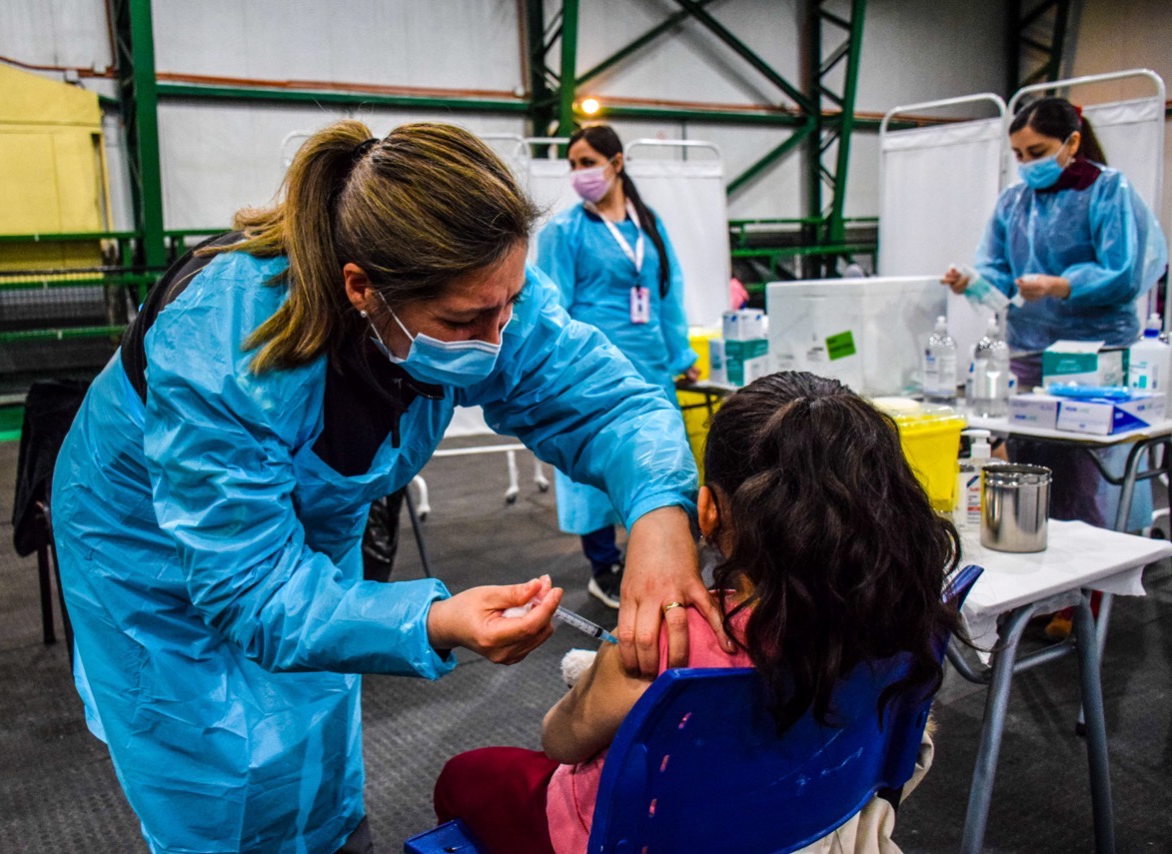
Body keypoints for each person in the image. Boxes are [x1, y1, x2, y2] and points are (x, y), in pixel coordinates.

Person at [51, 121, 730, 853]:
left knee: (314, 742)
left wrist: (660, 517)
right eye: (467, 320)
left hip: (310, 527)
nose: (499, 336)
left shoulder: (482, 288)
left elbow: (609, 404)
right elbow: (250, 589)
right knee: (209, 767)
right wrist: (432, 622)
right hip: (146, 546)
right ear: (361, 289)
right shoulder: (222, 347)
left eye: (507, 305)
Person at [434, 371, 963, 853]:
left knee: (464, 774)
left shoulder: (668, 643)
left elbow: (560, 740)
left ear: (707, 510)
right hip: (809, 811)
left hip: (640, 836)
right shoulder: (903, 617)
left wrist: (601, 670)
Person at [942, 97, 1167, 637]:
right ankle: (1032, 582)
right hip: (1027, 349)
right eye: (1018, 153)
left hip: (1093, 356)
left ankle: (1087, 594)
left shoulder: (1110, 192)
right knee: (1023, 467)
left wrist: (1063, 284)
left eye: (1037, 151)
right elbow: (999, 274)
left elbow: (1125, 269)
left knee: (1084, 474)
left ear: (1072, 142)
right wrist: (971, 281)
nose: (1027, 162)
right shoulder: (1014, 201)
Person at [536, 123, 700, 608]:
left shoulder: (649, 226)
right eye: (572, 165)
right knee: (596, 468)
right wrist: (556, 369)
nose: (578, 174)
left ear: (617, 162)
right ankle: (603, 564)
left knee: (658, 459)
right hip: (591, 371)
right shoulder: (565, 231)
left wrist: (682, 355)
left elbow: (668, 296)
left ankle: (653, 553)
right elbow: (552, 306)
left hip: (650, 366)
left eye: (586, 162)